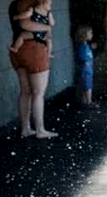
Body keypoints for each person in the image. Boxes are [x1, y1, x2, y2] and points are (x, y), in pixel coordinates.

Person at [8, 0, 58, 139]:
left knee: (26, 91)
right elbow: (25, 24)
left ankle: (26, 129)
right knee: (38, 93)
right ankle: (40, 130)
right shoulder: (29, 2)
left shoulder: (15, 3)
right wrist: (47, 27)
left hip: (18, 48)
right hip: (34, 49)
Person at [74, 25, 99, 108]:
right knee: (88, 86)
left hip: (87, 69)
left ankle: (84, 101)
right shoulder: (82, 47)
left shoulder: (85, 46)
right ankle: (89, 102)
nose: (91, 35)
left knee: (86, 85)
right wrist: (84, 62)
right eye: (90, 33)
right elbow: (81, 56)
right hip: (86, 70)